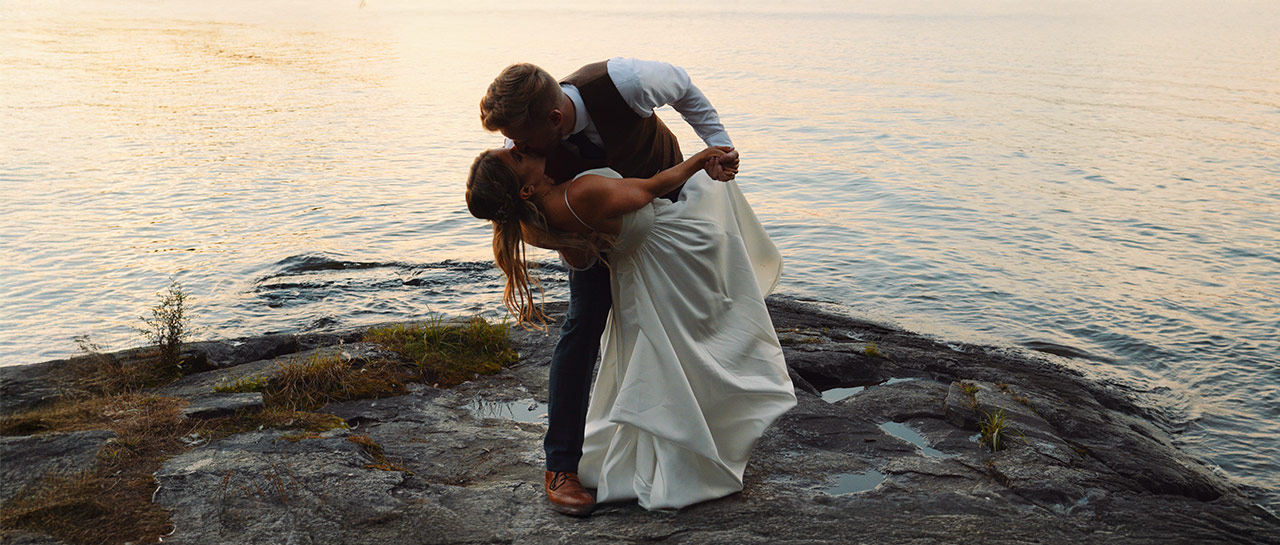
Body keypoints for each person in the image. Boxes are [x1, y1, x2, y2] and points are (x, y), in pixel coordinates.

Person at [478, 59, 745, 515]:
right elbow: (524, 214)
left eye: (522, 140)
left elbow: (684, 88)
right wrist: (574, 244)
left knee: (696, 319)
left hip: (672, 213)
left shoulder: (625, 82)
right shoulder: (519, 145)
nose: (515, 146)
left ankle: (701, 443)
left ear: (555, 119)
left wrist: (718, 145)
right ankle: (560, 466)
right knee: (582, 327)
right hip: (594, 235)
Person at [465, 144, 796, 511]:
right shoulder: (577, 193)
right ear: (524, 189)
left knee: (666, 351)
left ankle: (674, 436)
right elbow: (650, 188)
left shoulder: (525, 221)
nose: (519, 147)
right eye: (515, 156)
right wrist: (701, 160)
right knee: (703, 330)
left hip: (631, 263)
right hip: (667, 242)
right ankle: (582, 463)